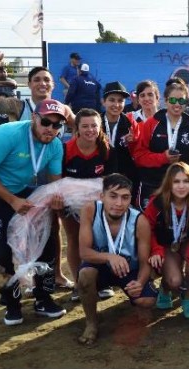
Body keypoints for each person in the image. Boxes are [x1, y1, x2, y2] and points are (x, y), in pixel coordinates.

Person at [0, 99, 69, 326]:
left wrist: (57, 199)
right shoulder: (8, 134)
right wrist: (12, 201)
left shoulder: (55, 145)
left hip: (18, 190)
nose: (50, 129)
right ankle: (12, 305)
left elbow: (54, 183)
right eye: (46, 122)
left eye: (56, 125)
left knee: (49, 239)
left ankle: (43, 298)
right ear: (33, 118)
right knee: (0, 253)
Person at [0, 52, 76, 290]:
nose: (42, 83)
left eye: (47, 80)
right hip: (19, 178)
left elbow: (81, 125)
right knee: (20, 228)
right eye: (37, 80)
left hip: (48, 174)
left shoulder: (62, 109)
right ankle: (25, 276)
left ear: (53, 85)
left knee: (53, 226)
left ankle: (55, 274)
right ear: (29, 85)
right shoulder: (17, 105)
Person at [77, 173, 157, 345]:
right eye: (113, 196)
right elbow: (84, 252)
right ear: (102, 196)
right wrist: (109, 256)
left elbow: (145, 263)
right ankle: (91, 322)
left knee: (146, 301)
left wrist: (140, 283)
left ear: (131, 199)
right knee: (85, 276)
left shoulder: (139, 221)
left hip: (130, 269)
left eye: (125, 198)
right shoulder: (90, 210)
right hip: (99, 266)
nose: (119, 203)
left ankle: (136, 299)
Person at [60, 108, 117, 301]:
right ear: (76, 128)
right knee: (74, 239)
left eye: (94, 125)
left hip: (98, 206)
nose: (90, 130)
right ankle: (78, 284)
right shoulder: (65, 150)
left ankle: (102, 282)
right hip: (69, 205)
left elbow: (112, 180)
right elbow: (57, 181)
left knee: (100, 240)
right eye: (85, 126)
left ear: (100, 128)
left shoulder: (106, 149)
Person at [144, 162, 189, 319]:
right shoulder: (157, 202)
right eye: (176, 182)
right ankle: (165, 288)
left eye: (186, 181)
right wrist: (156, 250)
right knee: (174, 280)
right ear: (169, 183)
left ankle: (188, 296)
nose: (181, 186)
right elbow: (147, 230)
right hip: (166, 245)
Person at [129, 81, 189, 211]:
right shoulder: (152, 123)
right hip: (153, 184)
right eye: (173, 100)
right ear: (166, 100)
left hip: (180, 187)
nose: (177, 104)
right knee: (150, 224)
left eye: (181, 101)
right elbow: (139, 156)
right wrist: (163, 158)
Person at [101, 81, 140, 205]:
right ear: (104, 102)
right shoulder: (95, 122)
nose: (116, 104)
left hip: (126, 177)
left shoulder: (130, 123)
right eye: (112, 100)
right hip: (101, 177)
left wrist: (133, 142)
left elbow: (138, 153)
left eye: (120, 101)